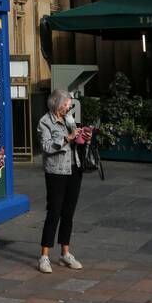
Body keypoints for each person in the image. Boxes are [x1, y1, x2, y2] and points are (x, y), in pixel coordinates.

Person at [36, 88, 90, 274]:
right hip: (56, 172)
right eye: (66, 104)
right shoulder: (45, 122)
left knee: (68, 213)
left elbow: (76, 141)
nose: (69, 107)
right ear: (57, 103)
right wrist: (67, 138)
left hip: (74, 169)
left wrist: (83, 137)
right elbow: (46, 147)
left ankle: (65, 253)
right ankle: (44, 256)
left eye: (69, 104)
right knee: (54, 212)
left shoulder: (69, 119)